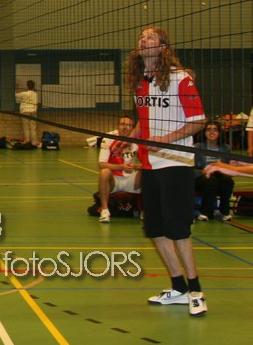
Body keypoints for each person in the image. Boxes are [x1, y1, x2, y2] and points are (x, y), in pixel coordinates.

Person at [126, 26, 207, 317]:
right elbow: (145, 118)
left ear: (163, 47)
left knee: (178, 230)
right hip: (149, 164)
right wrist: (132, 137)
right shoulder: (140, 82)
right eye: (141, 36)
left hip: (176, 162)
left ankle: (196, 291)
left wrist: (165, 139)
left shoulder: (180, 78)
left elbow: (198, 121)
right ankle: (178, 287)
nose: (143, 39)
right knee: (155, 229)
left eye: (150, 37)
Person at [96, 114, 142, 223]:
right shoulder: (108, 139)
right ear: (117, 126)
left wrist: (135, 166)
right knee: (104, 172)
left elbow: (148, 164)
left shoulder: (137, 141)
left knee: (148, 172)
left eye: (129, 125)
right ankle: (105, 211)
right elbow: (102, 164)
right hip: (114, 180)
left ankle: (144, 210)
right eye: (122, 124)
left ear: (133, 128)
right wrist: (121, 167)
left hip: (131, 180)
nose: (125, 127)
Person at [194, 121, 233, 222]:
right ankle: (205, 212)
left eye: (215, 129)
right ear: (204, 132)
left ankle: (224, 212)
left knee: (227, 181)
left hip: (219, 176)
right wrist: (203, 172)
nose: (211, 132)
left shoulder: (226, 148)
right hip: (202, 178)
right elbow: (191, 168)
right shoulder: (197, 147)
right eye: (208, 129)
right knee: (211, 181)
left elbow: (229, 167)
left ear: (219, 132)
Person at [16, 80, 39, 145]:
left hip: (25, 111)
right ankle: (34, 142)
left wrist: (16, 87)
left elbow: (16, 95)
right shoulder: (35, 94)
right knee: (33, 128)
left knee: (26, 128)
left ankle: (28, 141)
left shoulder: (24, 94)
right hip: (33, 111)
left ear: (27, 86)